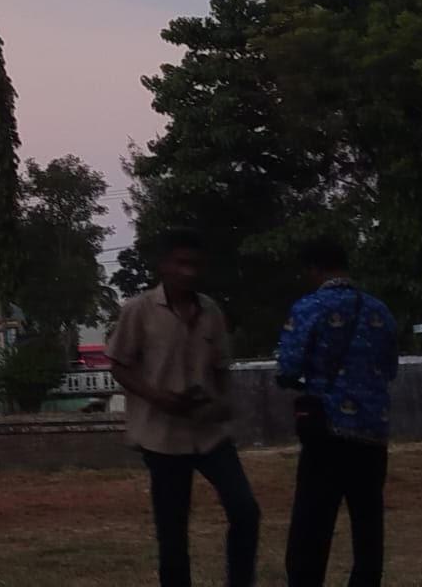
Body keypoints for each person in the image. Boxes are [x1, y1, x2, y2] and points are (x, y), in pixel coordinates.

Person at [106, 228, 261, 587]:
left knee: (245, 511)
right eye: (181, 263)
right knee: (173, 532)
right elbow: (118, 365)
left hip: (210, 434)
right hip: (163, 437)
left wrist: (222, 404)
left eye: (195, 264)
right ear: (163, 266)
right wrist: (156, 396)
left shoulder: (210, 311)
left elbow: (221, 368)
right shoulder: (139, 310)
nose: (189, 271)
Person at [277, 236, 398, 587]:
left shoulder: (309, 308)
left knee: (312, 526)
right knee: (368, 526)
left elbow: (287, 367)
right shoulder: (380, 311)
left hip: (326, 431)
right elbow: (390, 368)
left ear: (314, 269)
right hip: (373, 433)